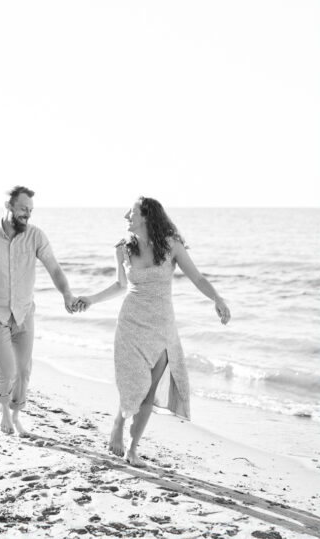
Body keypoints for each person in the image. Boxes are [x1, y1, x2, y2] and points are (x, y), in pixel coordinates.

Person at [74, 196, 231, 467]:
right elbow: (120, 285)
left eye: (131, 212)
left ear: (146, 216)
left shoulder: (171, 246)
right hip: (131, 323)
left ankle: (132, 449)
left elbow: (198, 277)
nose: (126, 216)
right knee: (132, 382)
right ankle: (119, 422)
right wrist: (91, 299)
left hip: (161, 327)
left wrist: (217, 298)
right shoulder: (123, 249)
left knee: (148, 390)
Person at [0, 185, 79, 436]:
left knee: (23, 370)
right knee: (7, 369)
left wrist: (67, 294)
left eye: (30, 210)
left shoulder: (36, 236)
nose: (27, 214)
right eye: (23, 208)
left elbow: (54, 268)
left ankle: (16, 415)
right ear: (8, 206)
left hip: (23, 313)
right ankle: (3, 412)